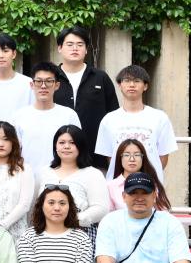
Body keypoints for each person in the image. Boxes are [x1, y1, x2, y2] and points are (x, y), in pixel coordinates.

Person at [95, 65, 178, 183]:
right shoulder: (109, 119)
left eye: (137, 81)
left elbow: (163, 156)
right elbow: (109, 157)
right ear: (119, 85)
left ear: (145, 86)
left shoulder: (159, 117)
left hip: (151, 184)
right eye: (127, 80)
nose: (132, 85)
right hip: (118, 185)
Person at [53, 26, 119, 170]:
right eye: (70, 44)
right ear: (60, 48)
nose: (75, 48)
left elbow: (114, 116)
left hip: (96, 156)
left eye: (80, 44)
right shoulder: (50, 78)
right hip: (57, 158)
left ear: (86, 49)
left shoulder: (100, 78)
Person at [37, 126, 110, 244]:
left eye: (72, 143)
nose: (66, 146)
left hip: (80, 235)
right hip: (45, 233)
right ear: (55, 146)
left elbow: (101, 209)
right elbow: (35, 205)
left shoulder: (93, 174)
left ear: (81, 146)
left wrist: (71, 220)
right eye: (62, 142)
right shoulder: (44, 172)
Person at [12, 62, 81, 177]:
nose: (43, 86)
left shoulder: (69, 115)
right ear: (32, 85)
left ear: (57, 85)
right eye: (39, 81)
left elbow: (78, 149)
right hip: (27, 178)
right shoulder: (19, 116)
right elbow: (14, 152)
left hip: (61, 179)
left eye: (49, 81)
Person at [108, 139, 171, 211]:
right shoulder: (110, 186)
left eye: (137, 155)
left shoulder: (152, 184)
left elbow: (163, 213)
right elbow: (108, 215)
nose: (132, 159)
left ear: (143, 158)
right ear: (120, 158)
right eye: (127, 155)